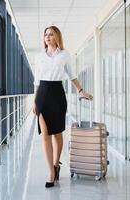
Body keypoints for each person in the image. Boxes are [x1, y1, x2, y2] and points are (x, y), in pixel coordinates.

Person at [32, 25, 93, 188]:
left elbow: (72, 76)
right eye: (45, 34)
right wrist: (34, 101)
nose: (47, 37)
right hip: (42, 94)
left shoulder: (64, 55)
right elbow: (36, 81)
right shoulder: (39, 57)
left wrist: (81, 91)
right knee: (44, 134)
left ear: (57, 36)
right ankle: (51, 171)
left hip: (57, 94)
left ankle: (56, 164)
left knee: (57, 134)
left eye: (51, 34)